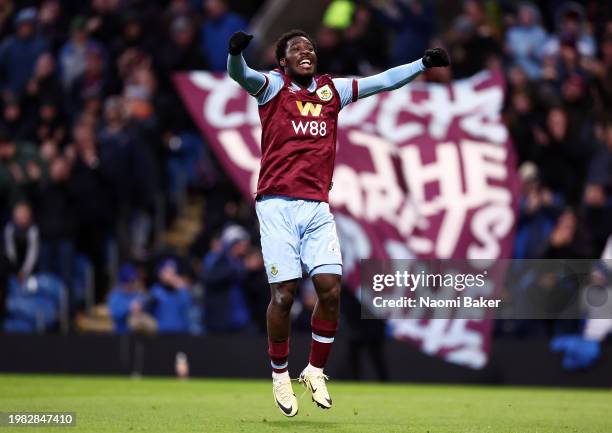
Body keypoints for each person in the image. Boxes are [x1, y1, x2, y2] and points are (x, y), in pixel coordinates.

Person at [227, 29, 449, 417]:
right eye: (296, 49)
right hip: (277, 205)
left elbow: (383, 81)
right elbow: (240, 74)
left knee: (331, 290)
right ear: (282, 61)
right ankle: (280, 374)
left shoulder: (332, 91)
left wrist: (422, 65)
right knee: (284, 295)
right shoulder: (272, 88)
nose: (305, 51)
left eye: (309, 47)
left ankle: (314, 370)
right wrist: (235, 53)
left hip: (316, 206)